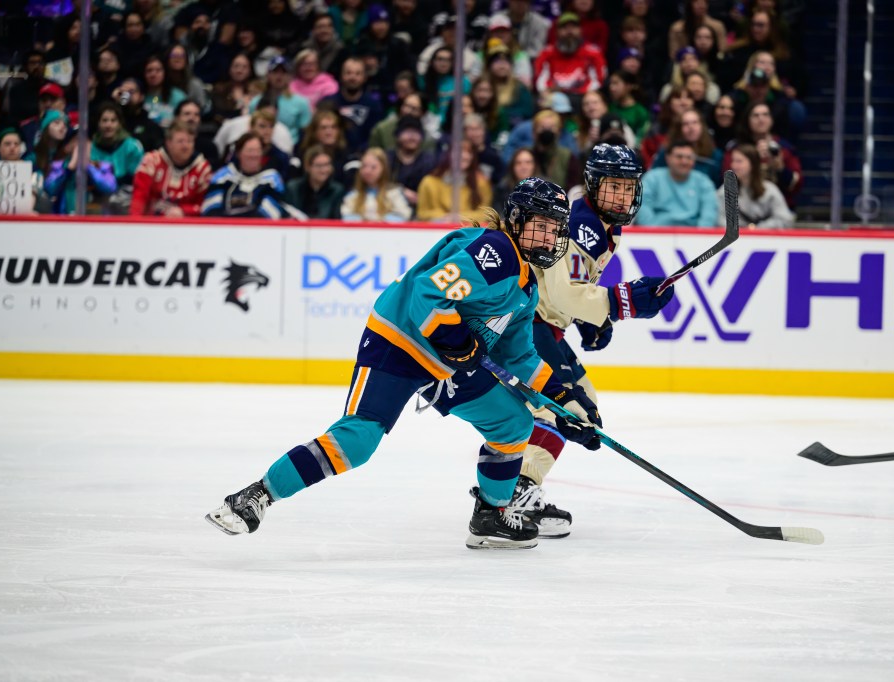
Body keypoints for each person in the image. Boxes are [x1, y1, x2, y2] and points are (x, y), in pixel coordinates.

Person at [204, 178, 602, 550]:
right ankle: (257, 494)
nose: (550, 236)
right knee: (358, 441)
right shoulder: (496, 252)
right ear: (517, 221)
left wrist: (564, 403)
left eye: (555, 229)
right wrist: (457, 340)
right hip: (402, 342)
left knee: (513, 422)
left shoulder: (526, 288)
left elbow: (519, 357)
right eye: (542, 225)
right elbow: (428, 294)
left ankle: (491, 516)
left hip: (445, 363)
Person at [503, 144, 675, 536]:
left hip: (544, 323)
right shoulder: (582, 225)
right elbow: (563, 294)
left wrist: (586, 320)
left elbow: (564, 285)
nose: (622, 196)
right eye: (613, 187)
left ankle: (519, 484)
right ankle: (515, 490)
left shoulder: (602, 227)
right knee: (561, 405)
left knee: (581, 400)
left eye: (628, 188)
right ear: (594, 185)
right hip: (527, 323)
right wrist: (620, 303)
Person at [130, 121, 212, 216]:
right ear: (168, 143)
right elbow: (139, 198)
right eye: (180, 141)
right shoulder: (151, 162)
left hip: (188, 227)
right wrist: (136, 224)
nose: (185, 146)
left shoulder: (202, 169)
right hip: (151, 224)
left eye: (189, 141)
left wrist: (183, 211)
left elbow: (205, 206)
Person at [202, 133, 291, 219]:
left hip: (258, 231)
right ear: (238, 153)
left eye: (258, 150)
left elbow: (269, 212)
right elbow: (210, 209)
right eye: (250, 150)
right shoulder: (223, 176)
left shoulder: (272, 178)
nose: (254, 155)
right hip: (223, 230)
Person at [635, 140, 718, 226]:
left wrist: (700, 237)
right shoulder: (652, 178)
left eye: (689, 157)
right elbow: (643, 208)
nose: (684, 162)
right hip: (656, 234)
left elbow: (709, 215)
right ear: (668, 158)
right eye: (679, 157)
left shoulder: (704, 182)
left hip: (694, 236)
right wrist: (650, 234)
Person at [416, 139, 493, 221]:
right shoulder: (429, 182)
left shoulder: (482, 183)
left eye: (469, 152)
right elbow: (422, 213)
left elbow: (485, 214)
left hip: (468, 231)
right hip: (436, 231)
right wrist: (445, 217)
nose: (464, 156)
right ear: (448, 155)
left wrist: (458, 217)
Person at [718, 143, 793, 228]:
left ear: (753, 164)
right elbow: (720, 219)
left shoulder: (770, 190)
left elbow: (785, 219)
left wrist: (759, 229)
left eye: (739, 161)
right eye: (733, 161)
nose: (734, 165)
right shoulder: (726, 190)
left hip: (766, 238)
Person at [533, 13, 607, 96]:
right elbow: (540, 81)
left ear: (580, 30)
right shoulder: (546, 53)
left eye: (573, 27)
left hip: (583, 96)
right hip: (554, 96)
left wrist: (580, 93)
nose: (569, 31)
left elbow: (599, 80)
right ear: (557, 32)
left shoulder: (593, 53)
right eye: (564, 28)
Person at [249, 56, 313, 146]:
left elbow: (306, 134)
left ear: (290, 76)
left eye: (283, 72)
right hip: (261, 147)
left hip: (290, 148)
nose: (279, 76)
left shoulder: (301, 103)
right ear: (268, 75)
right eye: (275, 72)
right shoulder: (255, 102)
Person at [340, 147, 412, 221]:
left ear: (383, 169)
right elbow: (346, 214)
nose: (367, 171)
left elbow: (404, 214)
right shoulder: (354, 195)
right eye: (364, 166)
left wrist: (384, 221)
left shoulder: (394, 193)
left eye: (373, 167)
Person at [386, 115, 438, 212]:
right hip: (391, 209)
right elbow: (379, 184)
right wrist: (400, 192)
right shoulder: (387, 158)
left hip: (423, 210)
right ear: (397, 135)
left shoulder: (430, 160)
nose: (412, 137)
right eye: (407, 132)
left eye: (416, 133)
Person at [286, 146, 346, 219]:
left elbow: (337, 219)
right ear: (307, 167)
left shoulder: (337, 191)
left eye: (327, 165)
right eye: (319, 166)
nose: (324, 170)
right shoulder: (293, 188)